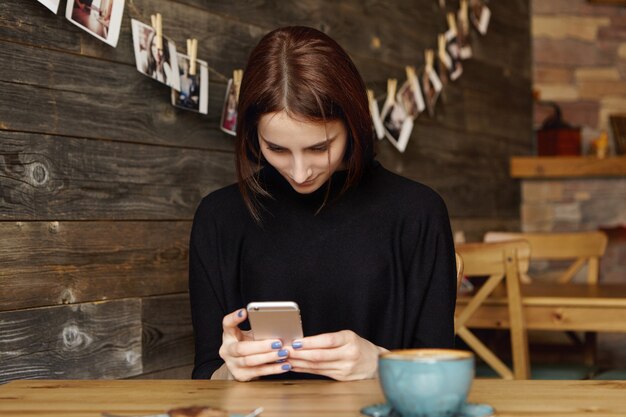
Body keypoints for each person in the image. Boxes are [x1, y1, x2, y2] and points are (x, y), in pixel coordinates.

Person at [189, 26, 456, 382]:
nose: (300, 173)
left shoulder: (417, 212)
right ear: (254, 136)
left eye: (319, 147)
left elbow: (441, 377)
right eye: (277, 149)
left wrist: (380, 363)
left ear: (353, 123)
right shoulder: (218, 217)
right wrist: (231, 370)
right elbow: (206, 376)